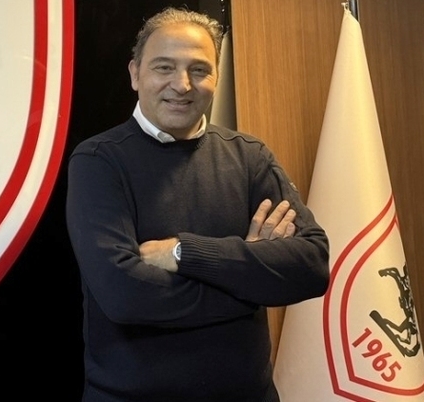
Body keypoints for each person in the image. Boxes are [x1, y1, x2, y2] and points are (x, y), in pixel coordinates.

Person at [66, 6, 329, 402]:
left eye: (199, 70)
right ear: (135, 74)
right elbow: (124, 295)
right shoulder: (98, 160)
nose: (182, 84)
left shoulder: (250, 157)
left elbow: (312, 266)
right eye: (164, 67)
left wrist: (184, 252)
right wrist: (251, 283)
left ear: (216, 77)